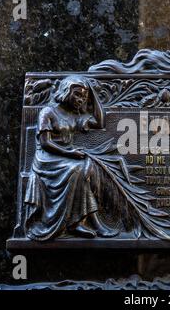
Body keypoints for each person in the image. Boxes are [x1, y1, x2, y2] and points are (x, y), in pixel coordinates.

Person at [24, 75, 119, 240]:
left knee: (89, 166)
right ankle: (80, 224)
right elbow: (45, 143)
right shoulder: (48, 112)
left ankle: (85, 222)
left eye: (84, 97)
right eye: (77, 94)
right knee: (77, 169)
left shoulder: (75, 115)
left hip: (66, 157)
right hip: (47, 159)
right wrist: (70, 153)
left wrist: (93, 96)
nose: (81, 100)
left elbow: (100, 121)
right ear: (66, 91)